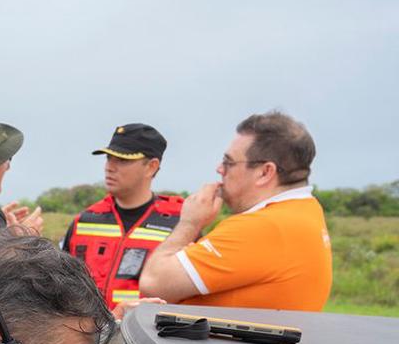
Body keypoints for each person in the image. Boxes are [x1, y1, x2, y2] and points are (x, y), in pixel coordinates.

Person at [139, 111, 332, 310]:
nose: (219, 169)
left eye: (229, 162)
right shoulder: (307, 211)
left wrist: (190, 222)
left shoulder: (262, 227)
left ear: (265, 172)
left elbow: (154, 283)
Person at [61, 123, 184, 309]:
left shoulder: (180, 227)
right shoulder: (84, 221)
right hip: (88, 334)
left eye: (122, 160)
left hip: (144, 334)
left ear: (151, 167)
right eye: (109, 158)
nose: (109, 167)